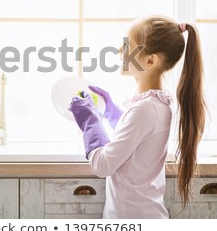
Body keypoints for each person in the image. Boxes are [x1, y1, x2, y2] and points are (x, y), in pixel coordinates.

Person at [69, 16, 206, 219]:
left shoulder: (145, 109)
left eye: (126, 46)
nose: (118, 50)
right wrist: (111, 111)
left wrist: (90, 122)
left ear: (150, 60)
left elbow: (103, 165)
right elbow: (136, 142)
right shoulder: (156, 104)